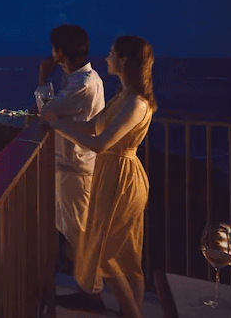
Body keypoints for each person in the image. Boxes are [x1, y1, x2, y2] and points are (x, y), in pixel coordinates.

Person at [42, 35, 156, 318]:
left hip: (123, 179)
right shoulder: (123, 96)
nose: (106, 58)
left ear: (124, 60)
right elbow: (93, 127)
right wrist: (59, 124)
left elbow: (100, 143)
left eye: (111, 54)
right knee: (125, 255)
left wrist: (56, 125)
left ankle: (132, 314)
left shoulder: (136, 103)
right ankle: (131, 312)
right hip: (109, 175)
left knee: (108, 255)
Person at [35, 25, 106, 311]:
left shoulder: (82, 84)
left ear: (60, 52)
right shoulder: (80, 79)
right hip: (74, 167)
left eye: (54, 49)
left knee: (79, 235)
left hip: (76, 169)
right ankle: (88, 289)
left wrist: (43, 76)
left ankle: (92, 294)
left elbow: (47, 113)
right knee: (74, 233)